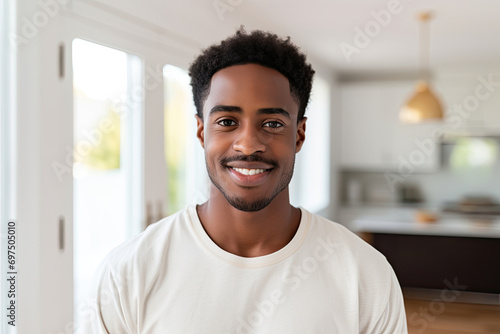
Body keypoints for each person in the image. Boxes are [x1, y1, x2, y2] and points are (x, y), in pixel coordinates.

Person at [83, 28, 408, 333]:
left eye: (272, 123)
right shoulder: (128, 273)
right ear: (201, 132)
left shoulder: (365, 274)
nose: (249, 144)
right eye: (227, 121)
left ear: (299, 134)